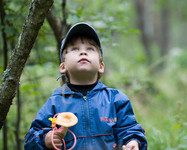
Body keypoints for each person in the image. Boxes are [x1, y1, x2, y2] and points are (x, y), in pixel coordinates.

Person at [24, 22, 148, 150]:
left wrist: (134, 142)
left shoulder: (115, 100)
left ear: (101, 66)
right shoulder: (55, 103)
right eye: (74, 49)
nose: (83, 52)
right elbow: (30, 141)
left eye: (90, 49)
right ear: (63, 67)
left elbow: (130, 130)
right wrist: (45, 139)